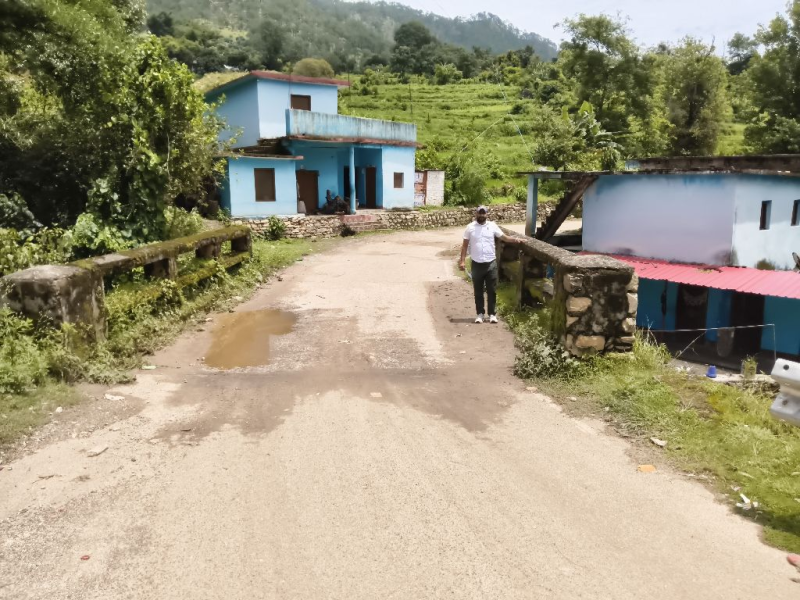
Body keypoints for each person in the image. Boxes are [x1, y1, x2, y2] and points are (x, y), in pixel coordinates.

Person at [459, 205, 522, 324]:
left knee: (492, 290)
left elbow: (504, 238)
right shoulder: (470, 227)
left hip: (491, 263)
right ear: (476, 214)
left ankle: (492, 314)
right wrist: (462, 261)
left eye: (483, 213)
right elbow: (465, 245)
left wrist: (516, 240)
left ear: (487, 214)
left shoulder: (492, 226)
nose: (481, 215)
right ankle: (480, 314)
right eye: (480, 213)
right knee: (478, 290)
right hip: (477, 263)